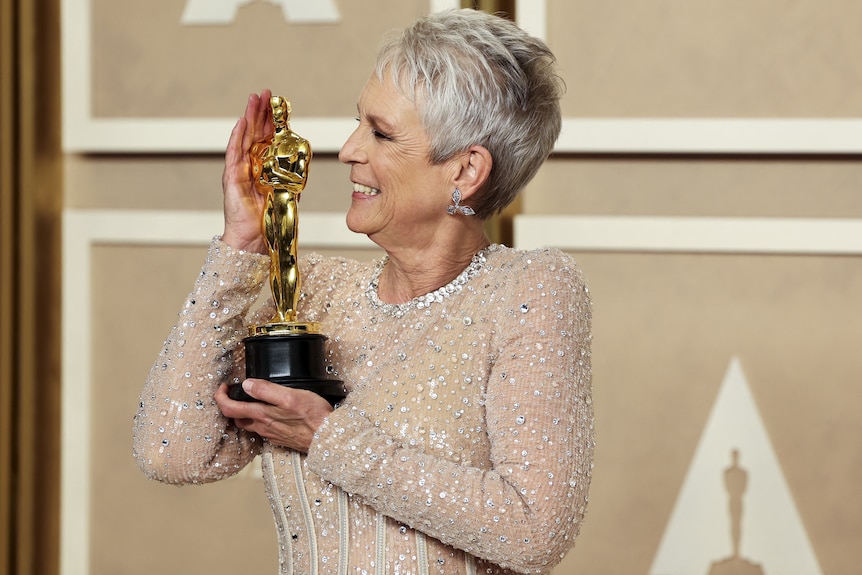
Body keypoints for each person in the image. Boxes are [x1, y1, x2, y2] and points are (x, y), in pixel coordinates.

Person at [133, 8, 594, 575]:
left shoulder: (529, 292)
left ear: (465, 170)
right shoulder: (317, 293)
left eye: (381, 132)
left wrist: (326, 437)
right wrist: (242, 246)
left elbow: (533, 530)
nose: (348, 149)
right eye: (359, 123)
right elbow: (171, 452)